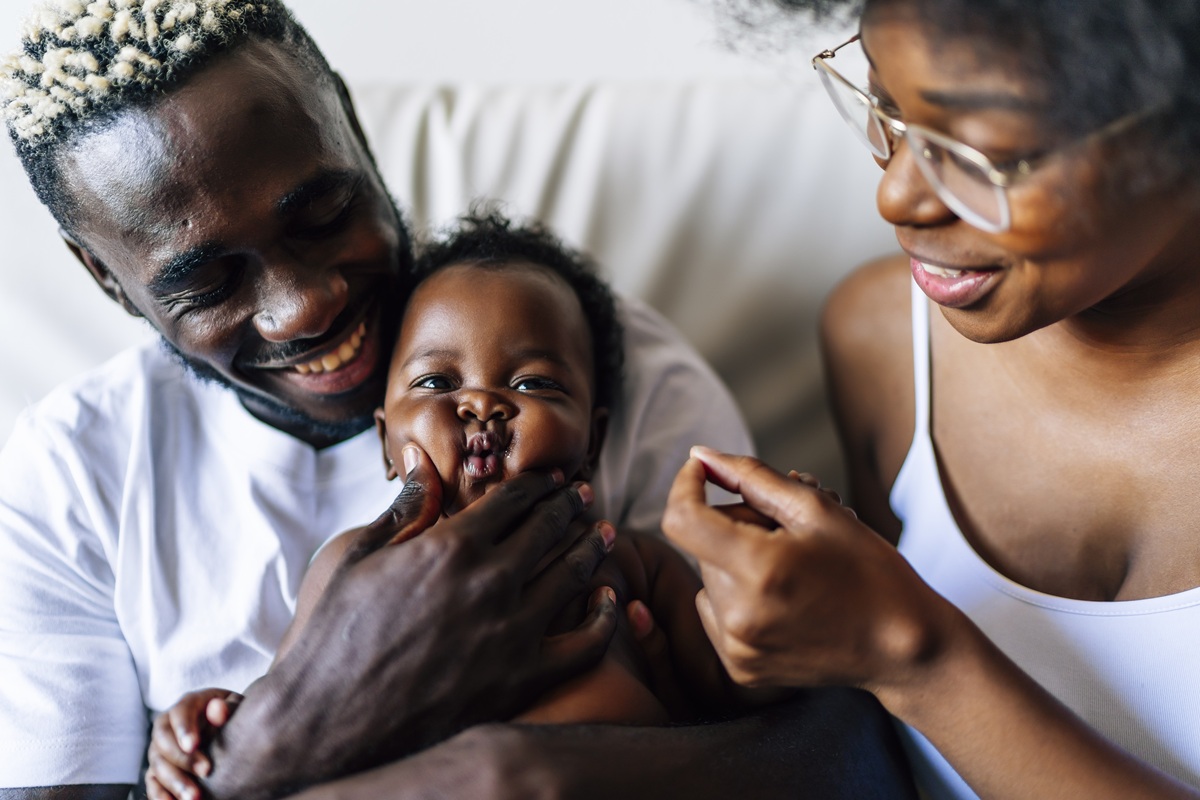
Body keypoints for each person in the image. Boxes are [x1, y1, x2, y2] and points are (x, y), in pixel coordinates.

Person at [0, 0, 914, 797]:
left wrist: (516, 777)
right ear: (107, 278)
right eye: (209, 283)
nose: (303, 306)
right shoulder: (67, 480)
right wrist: (272, 743)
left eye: (322, 216)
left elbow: (836, 735)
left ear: (351, 127)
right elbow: (261, 707)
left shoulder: (598, 358)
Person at [664, 1, 1200, 798]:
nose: (898, 195)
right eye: (885, 104)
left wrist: (912, 656)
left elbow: (899, 663)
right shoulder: (884, 338)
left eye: (983, 155)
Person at [145, 211, 754, 798]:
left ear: (591, 441)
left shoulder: (628, 561)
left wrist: (755, 577)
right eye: (437, 383)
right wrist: (210, 724)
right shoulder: (353, 568)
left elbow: (741, 680)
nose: (481, 405)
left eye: (533, 383)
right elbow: (296, 700)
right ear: (386, 441)